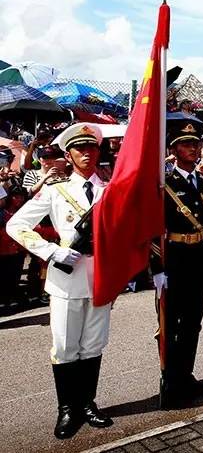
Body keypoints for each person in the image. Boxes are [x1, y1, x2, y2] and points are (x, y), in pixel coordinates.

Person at [5, 123, 113, 439]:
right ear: (68, 155)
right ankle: (67, 409)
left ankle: (88, 404)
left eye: (92, 148)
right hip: (67, 280)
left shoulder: (110, 191)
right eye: (80, 149)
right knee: (66, 346)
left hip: (101, 279)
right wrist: (52, 251)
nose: (87, 154)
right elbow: (16, 225)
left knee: (93, 344)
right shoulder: (55, 191)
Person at [151, 120, 203, 408]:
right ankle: (169, 380)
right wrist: (157, 268)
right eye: (186, 144)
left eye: (196, 144)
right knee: (170, 324)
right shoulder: (164, 183)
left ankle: (186, 374)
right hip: (175, 257)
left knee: (193, 322)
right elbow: (153, 226)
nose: (193, 148)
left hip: (200, 256)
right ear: (173, 149)